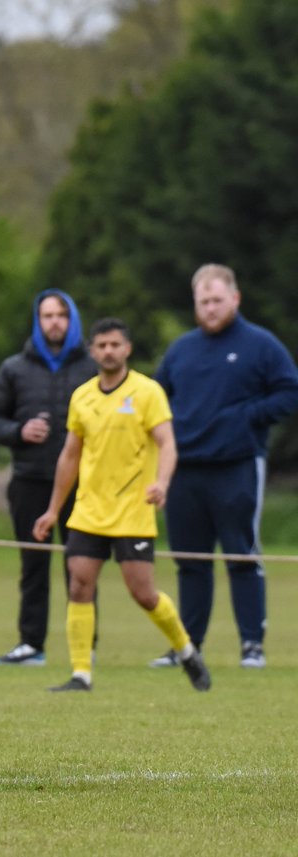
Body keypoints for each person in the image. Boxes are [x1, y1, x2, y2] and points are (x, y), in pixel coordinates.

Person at [31, 318, 210, 694]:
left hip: (133, 509)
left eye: (115, 344)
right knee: (79, 586)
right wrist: (52, 509)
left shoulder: (148, 392)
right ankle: (81, 674)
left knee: (143, 593)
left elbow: (167, 443)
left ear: (127, 349)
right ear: (93, 351)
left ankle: (186, 650)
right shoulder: (82, 396)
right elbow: (70, 455)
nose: (109, 351)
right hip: (89, 510)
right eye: (102, 345)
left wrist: (161, 483)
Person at [150, 264, 298, 670]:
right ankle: (188, 646)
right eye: (203, 302)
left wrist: (246, 417)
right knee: (190, 561)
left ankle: (252, 644)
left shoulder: (261, 345)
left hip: (238, 466)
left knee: (241, 555)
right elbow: (156, 400)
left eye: (217, 300)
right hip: (185, 470)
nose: (210, 308)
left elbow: (289, 391)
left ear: (235, 299)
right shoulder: (182, 349)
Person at [0, 290, 96, 666]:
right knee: (34, 566)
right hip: (30, 481)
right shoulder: (14, 368)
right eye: (47, 315)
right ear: (38, 320)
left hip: (83, 485)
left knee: (81, 565)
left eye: (62, 315)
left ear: (73, 319)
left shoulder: (92, 367)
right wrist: (19, 431)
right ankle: (32, 645)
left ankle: (86, 647)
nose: (55, 322)